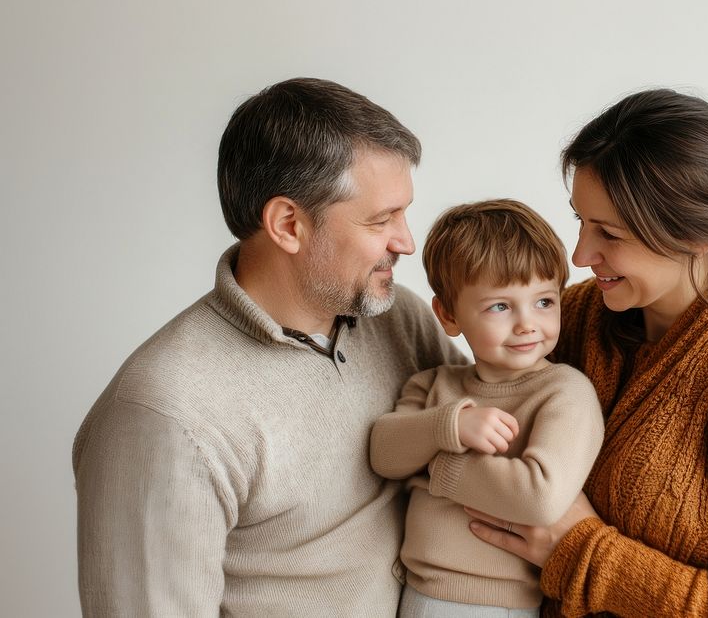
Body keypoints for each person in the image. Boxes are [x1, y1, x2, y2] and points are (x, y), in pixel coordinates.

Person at [72, 77, 466, 616]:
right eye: (381, 220)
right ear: (288, 224)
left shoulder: (399, 317)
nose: (406, 241)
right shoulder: (164, 416)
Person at [466, 89, 708, 617]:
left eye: (609, 234)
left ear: (695, 235)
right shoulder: (570, 320)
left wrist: (579, 550)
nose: (580, 254)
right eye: (580, 220)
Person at [369, 199, 605, 617]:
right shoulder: (434, 385)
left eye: (544, 302)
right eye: (500, 306)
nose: (527, 323)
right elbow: (384, 454)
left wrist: (438, 466)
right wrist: (451, 426)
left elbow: (540, 498)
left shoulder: (565, 392)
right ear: (447, 315)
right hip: (414, 594)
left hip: (497, 604)